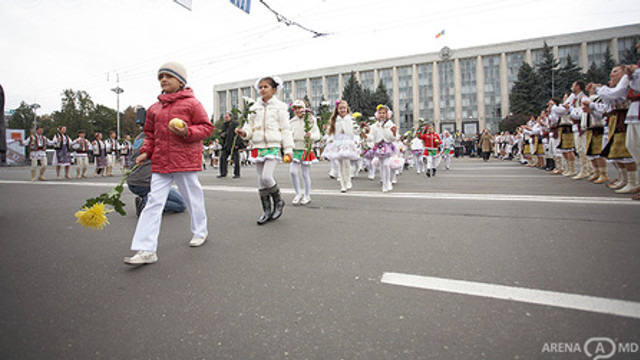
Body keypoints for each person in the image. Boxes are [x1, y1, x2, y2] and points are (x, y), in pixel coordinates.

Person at [124, 61, 214, 265]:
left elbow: (207, 128)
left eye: (168, 76)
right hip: (161, 162)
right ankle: (146, 249)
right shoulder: (154, 109)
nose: (163, 79)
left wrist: (186, 131)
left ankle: (200, 231)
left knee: (193, 198)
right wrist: (146, 152)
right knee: (153, 203)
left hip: (184, 161)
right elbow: (150, 135)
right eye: (160, 77)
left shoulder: (192, 103)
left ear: (181, 81)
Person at [235, 76, 294, 225]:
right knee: (261, 180)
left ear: (274, 90)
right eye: (260, 87)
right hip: (257, 146)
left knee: (267, 177)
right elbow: (249, 126)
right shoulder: (254, 108)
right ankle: (266, 210)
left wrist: (288, 149)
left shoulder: (280, 107)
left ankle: (279, 201)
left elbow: (285, 130)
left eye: (265, 87)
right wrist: (244, 133)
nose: (262, 89)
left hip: (273, 146)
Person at [127, 120, 186, 217]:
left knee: (177, 198)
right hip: (146, 182)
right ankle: (147, 204)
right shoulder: (156, 139)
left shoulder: (138, 138)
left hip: (133, 181)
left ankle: (147, 199)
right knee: (181, 205)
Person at [289, 99, 320, 205]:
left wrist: (310, 135)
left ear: (304, 108)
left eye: (300, 108)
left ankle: (307, 195)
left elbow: (318, 135)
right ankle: (298, 193)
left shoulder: (311, 120)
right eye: (296, 108)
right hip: (295, 149)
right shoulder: (291, 121)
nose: (298, 110)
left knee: (305, 174)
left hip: (306, 148)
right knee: (293, 172)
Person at [323, 100, 359, 193]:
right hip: (338, 143)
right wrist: (327, 135)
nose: (342, 110)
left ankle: (348, 181)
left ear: (347, 109)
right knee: (340, 165)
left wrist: (356, 139)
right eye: (340, 108)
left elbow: (356, 130)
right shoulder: (334, 120)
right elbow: (329, 132)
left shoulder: (351, 119)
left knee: (346, 164)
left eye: (344, 108)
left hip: (347, 143)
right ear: (337, 109)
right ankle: (342, 184)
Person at [372, 104, 398, 191]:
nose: (382, 114)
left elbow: (393, 138)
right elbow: (372, 136)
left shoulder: (390, 124)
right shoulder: (375, 125)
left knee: (386, 164)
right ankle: (384, 183)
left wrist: (394, 133)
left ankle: (388, 182)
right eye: (380, 113)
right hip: (379, 146)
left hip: (387, 146)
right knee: (382, 166)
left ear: (387, 114)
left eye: (383, 113)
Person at [218, 112, 242, 178]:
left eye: (227, 117)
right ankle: (223, 173)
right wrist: (222, 135)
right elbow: (222, 133)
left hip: (233, 144)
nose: (226, 118)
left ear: (230, 117)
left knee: (236, 160)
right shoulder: (224, 125)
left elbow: (238, 135)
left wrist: (237, 144)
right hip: (226, 144)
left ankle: (237, 173)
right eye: (225, 117)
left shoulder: (234, 124)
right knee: (222, 158)